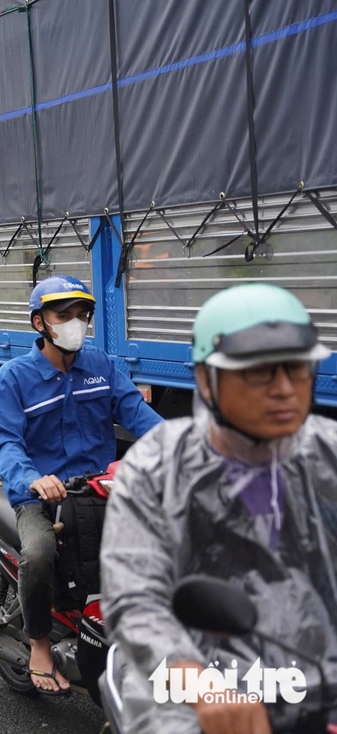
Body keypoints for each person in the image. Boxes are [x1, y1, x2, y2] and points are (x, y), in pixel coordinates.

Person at [101, 283, 337, 734]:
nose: (285, 389)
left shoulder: (329, 457)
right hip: (189, 682)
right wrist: (198, 683)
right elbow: (135, 598)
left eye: (297, 368)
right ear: (207, 379)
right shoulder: (156, 468)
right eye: (259, 372)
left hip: (315, 680)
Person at [0, 275, 163, 695]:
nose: (75, 323)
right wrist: (33, 479)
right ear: (39, 323)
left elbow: (137, 415)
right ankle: (41, 645)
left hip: (102, 491)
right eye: (63, 315)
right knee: (40, 552)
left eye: (81, 315)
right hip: (41, 497)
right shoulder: (13, 378)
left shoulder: (101, 366)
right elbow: (6, 443)